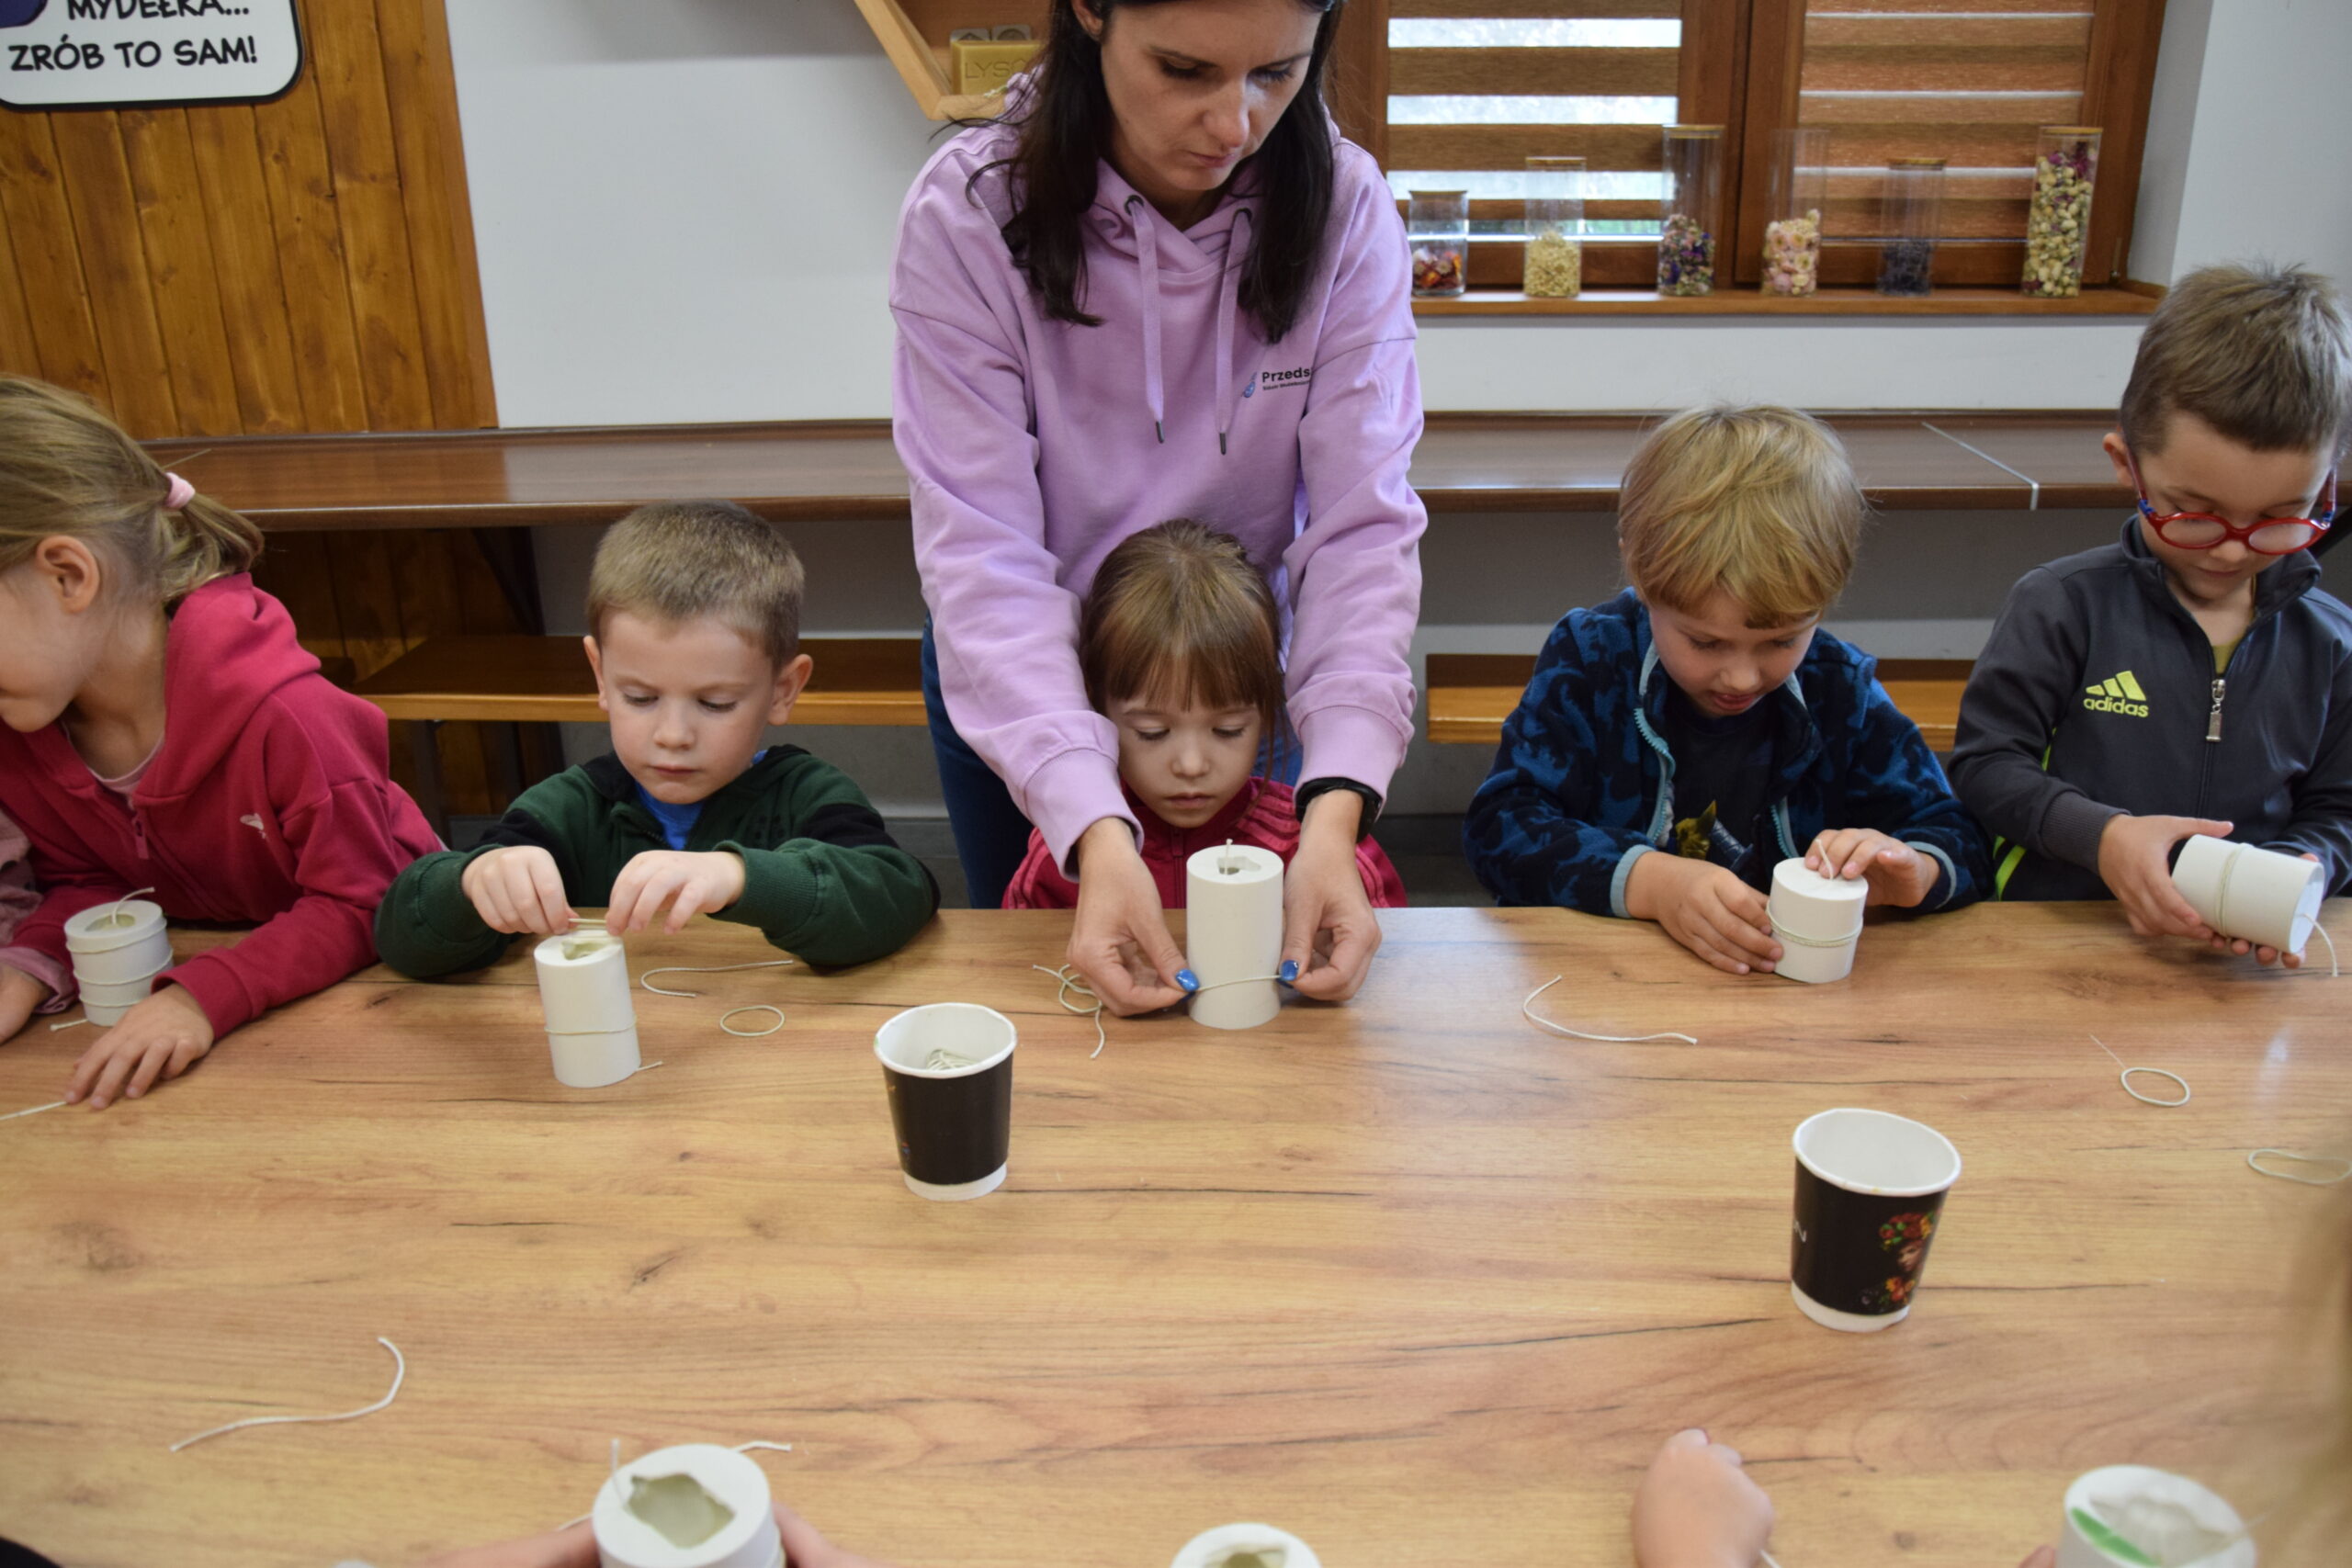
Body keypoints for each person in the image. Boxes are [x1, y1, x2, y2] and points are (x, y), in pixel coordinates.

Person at [891, 0, 1424, 1012]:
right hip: (1026, 667)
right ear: (1090, 11)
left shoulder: (1345, 207)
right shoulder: (970, 212)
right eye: (1185, 71)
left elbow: (1361, 530)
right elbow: (983, 555)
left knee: (1263, 1010)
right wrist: (1093, 831)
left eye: (1276, 74)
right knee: (1046, 999)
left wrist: (1333, 819)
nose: (1234, 125)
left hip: (1228, 665)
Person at [0, 375, 440, 1110]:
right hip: (231, 1058)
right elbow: (89, 877)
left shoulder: (287, 715)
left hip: (385, 1023)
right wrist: (28, 964)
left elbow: (368, 900)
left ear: (69, 575)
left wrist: (200, 997)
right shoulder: (25, 726)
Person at [1463, 405, 1990, 976]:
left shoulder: (1839, 688)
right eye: (1706, 642)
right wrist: (1650, 882)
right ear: (1641, 576)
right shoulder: (1593, 659)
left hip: (1782, 991)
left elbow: (1956, 833)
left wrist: (1917, 870)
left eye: (1782, 640)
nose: (1742, 678)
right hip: (1607, 984)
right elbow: (1501, 826)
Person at [1950, 262, 2352, 965]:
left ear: (2327, 486)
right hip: (2055, 941)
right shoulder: (2062, 606)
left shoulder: (2332, 643)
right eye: (2195, 514)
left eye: (2279, 518)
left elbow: (2339, 811)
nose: (2232, 549)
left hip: (2230, 969)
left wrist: (2295, 873)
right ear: (2126, 463)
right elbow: (1985, 767)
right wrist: (2102, 836)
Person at [375, 502, 936, 977]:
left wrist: (742, 878)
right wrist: (471, 884)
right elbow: (402, 938)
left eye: (715, 704)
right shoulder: (569, 809)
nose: (672, 736)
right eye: (640, 698)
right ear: (600, 676)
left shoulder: (807, 795)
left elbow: (900, 893)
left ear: (782, 690)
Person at [1001, 521, 1406, 910]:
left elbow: (1382, 946)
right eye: (1153, 732)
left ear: (1267, 712)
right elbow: (1019, 953)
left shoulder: (1314, 848)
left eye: (1228, 730)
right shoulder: (1066, 856)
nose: (1191, 765)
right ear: (1096, 714)